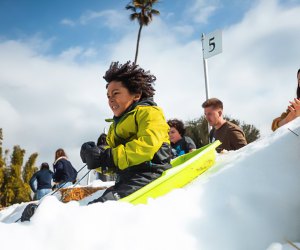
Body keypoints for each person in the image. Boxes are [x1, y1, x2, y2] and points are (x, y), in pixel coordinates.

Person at [80, 61, 172, 203]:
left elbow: (147, 145)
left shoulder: (150, 113)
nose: (111, 100)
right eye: (108, 96)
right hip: (126, 178)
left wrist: (108, 156)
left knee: (103, 206)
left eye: (116, 93)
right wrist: (94, 158)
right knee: (97, 204)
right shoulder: (114, 127)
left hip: (150, 174)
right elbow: (113, 163)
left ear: (136, 95)